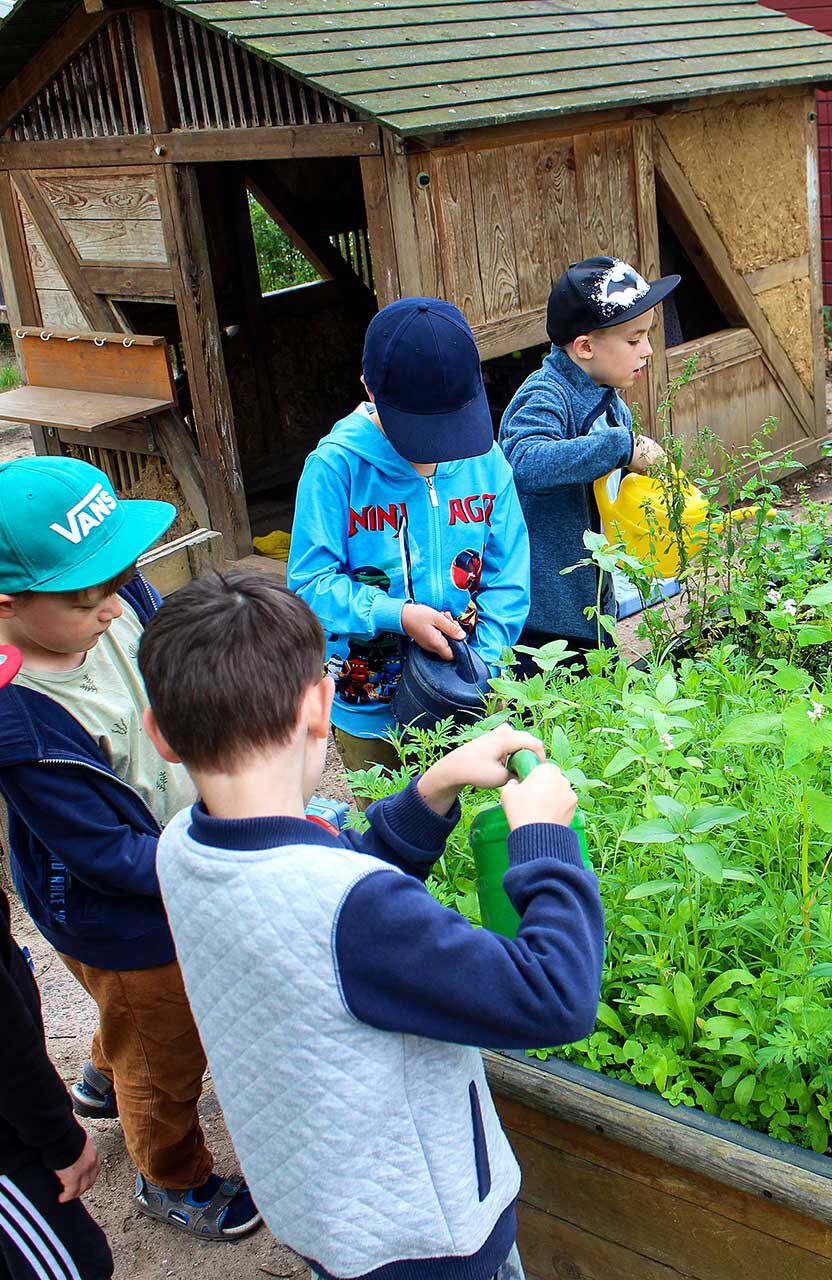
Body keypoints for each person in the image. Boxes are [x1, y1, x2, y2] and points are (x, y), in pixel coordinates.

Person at [139, 570, 604, 1280]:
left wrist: (432, 788)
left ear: (161, 735)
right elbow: (555, 996)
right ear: (323, 706)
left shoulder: (182, 846)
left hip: (321, 1204)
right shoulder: (356, 912)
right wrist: (543, 838)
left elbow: (310, 888)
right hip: (426, 1239)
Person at [0, 457, 260, 1242]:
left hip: (165, 853)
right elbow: (106, 855)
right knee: (167, 1050)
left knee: (137, 1026)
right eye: (88, 598)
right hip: (121, 917)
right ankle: (171, 1175)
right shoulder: (19, 722)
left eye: (121, 579)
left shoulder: (113, 602)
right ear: (8, 605)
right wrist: (220, 854)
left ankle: (103, 1077)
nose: (116, 606)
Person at [289, 297, 530, 775]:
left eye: (448, 427)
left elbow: (510, 576)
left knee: (472, 824)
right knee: (389, 828)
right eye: (420, 431)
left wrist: (481, 670)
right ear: (369, 390)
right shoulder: (336, 468)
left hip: (470, 686)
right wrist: (395, 614)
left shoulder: (486, 460)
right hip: (369, 701)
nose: (435, 450)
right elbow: (310, 585)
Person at [499, 257, 678, 668]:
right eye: (634, 340)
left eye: (647, 336)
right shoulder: (547, 394)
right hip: (544, 614)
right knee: (550, 720)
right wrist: (620, 447)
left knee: (599, 709)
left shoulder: (609, 400)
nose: (648, 351)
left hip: (594, 603)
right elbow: (524, 461)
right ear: (584, 347)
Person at [0, 640, 115, 1280]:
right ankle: (174, 1184)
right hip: (13, 1148)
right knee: (74, 1264)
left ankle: (103, 1074)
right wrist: (57, 1139)